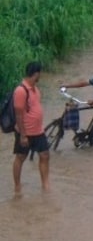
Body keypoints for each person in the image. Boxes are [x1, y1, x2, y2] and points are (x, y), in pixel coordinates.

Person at [12, 61, 50, 193]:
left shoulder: (35, 89)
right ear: (36, 73)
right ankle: (17, 186)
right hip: (25, 132)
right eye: (40, 73)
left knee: (45, 155)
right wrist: (23, 135)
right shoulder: (21, 91)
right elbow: (18, 115)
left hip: (38, 131)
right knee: (20, 157)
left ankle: (45, 185)